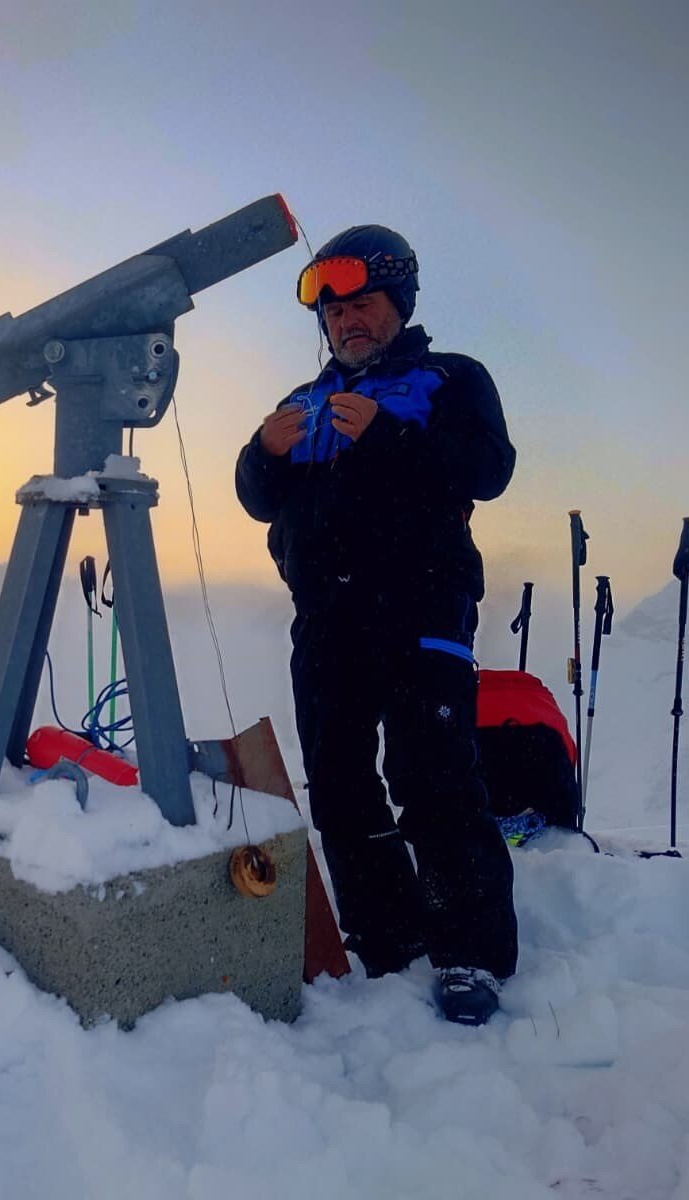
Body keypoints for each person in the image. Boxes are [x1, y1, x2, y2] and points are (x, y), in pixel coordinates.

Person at [234, 224, 518, 1025]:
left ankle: (470, 951)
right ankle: (387, 936)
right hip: (326, 617)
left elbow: (489, 469)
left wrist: (388, 436)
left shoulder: (451, 377)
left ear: (399, 301)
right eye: (333, 312)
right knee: (339, 781)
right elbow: (259, 497)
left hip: (423, 605)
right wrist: (260, 454)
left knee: (433, 777)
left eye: (361, 305)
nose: (346, 321)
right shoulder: (303, 401)